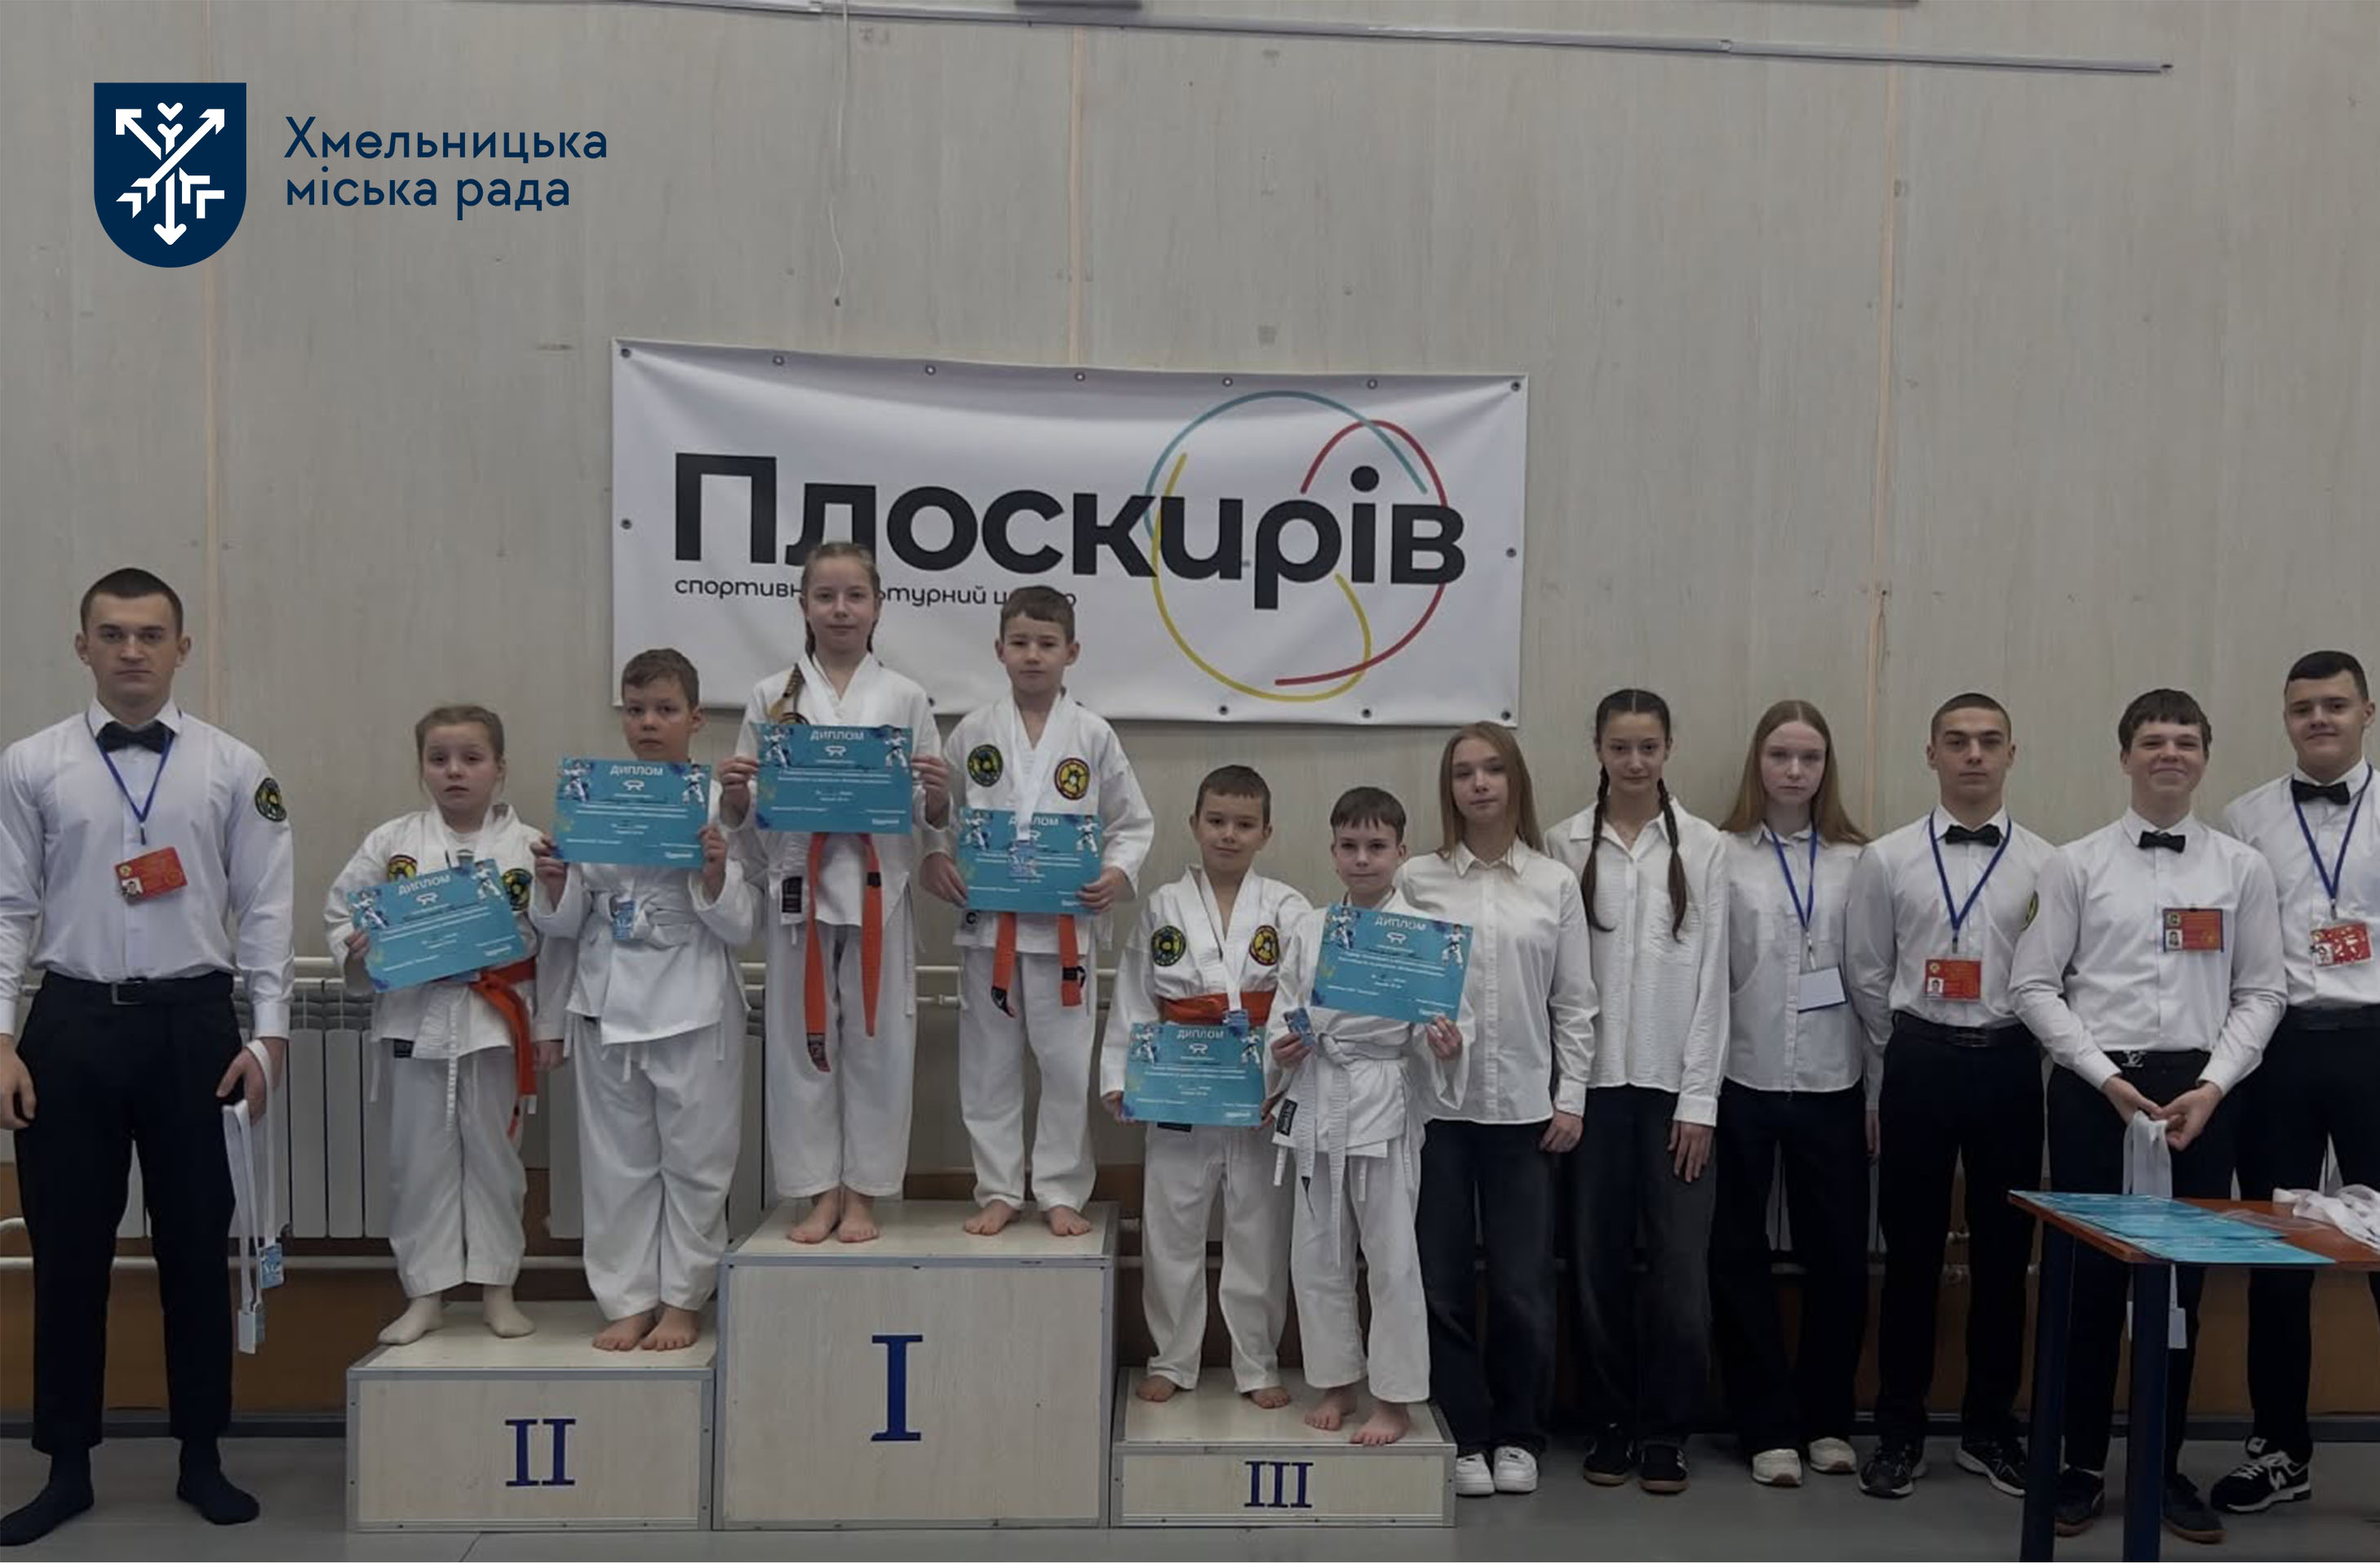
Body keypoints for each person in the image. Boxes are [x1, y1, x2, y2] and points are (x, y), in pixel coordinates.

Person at [0, 569, 294, 1544]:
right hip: (70, 1025)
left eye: (151, 634)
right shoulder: (30, 763)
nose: (133, 650)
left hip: (193, 1028)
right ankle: (66, 1466)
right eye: (114, 633)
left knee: (195, 1249)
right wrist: (0, 1040)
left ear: (182, 649)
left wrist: (269, 1035)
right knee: (68, 1254)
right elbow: (7, 907)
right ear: (82, 645)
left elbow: (266, 908)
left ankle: (201, 1454)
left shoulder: (233, 766)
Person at [2011, 687, 2286, 1544]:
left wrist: (2214, 1084)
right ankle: (2081, 1465)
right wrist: (2101, 1076)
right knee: (2090, 1286)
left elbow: (2263, 990)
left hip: (2200, 1097)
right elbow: (2031, 986)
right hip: (2098, 1091)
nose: (2169, 753)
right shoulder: (2074, 864)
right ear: (2124, 755)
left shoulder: (2242, 869)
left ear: (2204, 757)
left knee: (2181, 1291)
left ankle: (2160, 1467)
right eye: (2153, 740)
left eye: (2185, 741)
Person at [1844, 692, 2054, 1502]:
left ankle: (1989, 1428)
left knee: (2005, 1257)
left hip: (2009, 1063)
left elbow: (2053, 974)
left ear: (2011, 755)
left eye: (1989, 741)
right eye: (1957, 741)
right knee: (1911, 1255)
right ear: (1930, 753)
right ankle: (1898, 1430)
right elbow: (1867, 968)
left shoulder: (2047, 863)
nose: (1973, 754)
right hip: (1920, 1061)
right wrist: (1900, 1048)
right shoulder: (1887, 858)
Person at [719, 542, 949, 1244]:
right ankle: (817, 1192)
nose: (840, 609)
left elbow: (931, 815)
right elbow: (745, 812)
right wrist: (735, 793)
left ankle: (865, 1192)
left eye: (854, 596)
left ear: (878, 606)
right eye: (825, 596)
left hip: (881, 888)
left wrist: (940, 797)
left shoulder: (906, 696)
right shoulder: (772, 696)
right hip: (799, 886)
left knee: (880, 1043)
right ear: (803, 606)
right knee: (800, 1042)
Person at [531, 649, 759, 1349]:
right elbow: (563, 928)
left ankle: (684, 1298)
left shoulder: (722, 807)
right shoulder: (589, 798)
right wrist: (556, 882)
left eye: (664, 710)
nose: (649, 723)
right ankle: (627, 1298)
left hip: (694, 995)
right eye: (636, 710)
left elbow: (743, 925)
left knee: (697, 1159)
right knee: (614, 1163)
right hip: (606, 993)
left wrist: (716, 875)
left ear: (695, 718)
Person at [325, 703, 570, 1349]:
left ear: (500, 768)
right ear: (422, 769)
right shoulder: (392, 843)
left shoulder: (531, 847)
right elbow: (341, 912)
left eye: (471, 758)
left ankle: (497, 1288)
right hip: (415, 1017)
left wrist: (548, 1025)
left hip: (496, 1022)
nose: (455, 771)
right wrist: (355, 945)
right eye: (439, 759)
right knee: (417, 1161)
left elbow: (558, 943)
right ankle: (425, 1294)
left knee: (496, 1159)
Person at [1399, 723, 1597, 1499]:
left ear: (1515, 780)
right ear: (1448, 788)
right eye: (1463, 772)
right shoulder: (1416, 879)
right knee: (1440, 1283)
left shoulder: (1552, 882)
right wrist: (1423, 1035)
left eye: (1491, 769)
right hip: (1436, 1114)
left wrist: (1570, 1097)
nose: (1478, 783)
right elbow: (1394, 993)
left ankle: (1519, 1432)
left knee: (1521, 1284)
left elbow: (1574, 1002)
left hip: (1523, 1114)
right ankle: (1464, 1434)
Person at [920, 586, 1155, 1237]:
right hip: (988, 927)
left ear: (1071, 652)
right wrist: (934, 853)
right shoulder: (974, 730)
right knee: (987, 1066)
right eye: (1020, 642)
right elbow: (940, 812)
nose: (1032, 655)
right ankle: (998, 1187)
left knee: (1064, 1066)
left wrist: (1115, 873)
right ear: (999, 649)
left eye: (1046, 644)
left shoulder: (1092, 734)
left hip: (1063, 932)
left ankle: (1058, 1188)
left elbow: (1132, 822)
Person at [1544, 689, 1729, 1495]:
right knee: (1596, 1265)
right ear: (1597, 748)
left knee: (1680, 1271)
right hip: (1590, 1091)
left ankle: (1667, 1427)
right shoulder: (1562, 843)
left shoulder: (1706, 847)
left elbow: (1714, 982)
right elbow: (1558, 980)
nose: (1633, 761)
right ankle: (1610, 1420)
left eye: (1647, 746)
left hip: (1671, 1091)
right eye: (1619, 747)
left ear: (1667, 749)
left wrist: (1699, 1101)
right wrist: (1567, 1089)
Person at [2212, 649, 2379, 1516]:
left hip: (2375, 1045)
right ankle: (2280, 1448)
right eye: (2303, 707)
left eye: (2334, 704)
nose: (2318, 718)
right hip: (2277, 1050)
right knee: (2278, 1255)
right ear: (2285, 718)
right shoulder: (2244, 818)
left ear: (2366, 713)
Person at [1701, 698, 1874, 1491]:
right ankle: (1765, 1426)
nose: (1794, 771)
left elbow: (1872, 980)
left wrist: (1878, 1094)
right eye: (1780, 755)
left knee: (1837, 1256)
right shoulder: (1721, 854)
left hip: (1834, 1080)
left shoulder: (1857, 860)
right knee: (1737, 1255)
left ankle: (1827, 1420)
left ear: (1825, 766)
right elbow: (1706, 978)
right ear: (1757, 763)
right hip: (1742, 1077)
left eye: (1809, 757)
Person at [1100, 765, 1309, 1406]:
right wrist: (1121, 1076)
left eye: (1244, 824)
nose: (1228, 834)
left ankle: (1257, 1363)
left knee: (1258, 1233)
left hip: (1255, 1090)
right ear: (1194, 823)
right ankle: (1171, 1357)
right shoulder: (1163, 905)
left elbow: (1300, 998)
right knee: (1170, 1228)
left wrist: (1282, 1080)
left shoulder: (1287, 906)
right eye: (1216, 820)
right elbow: (1134, 995)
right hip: (1178, 1089)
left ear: (1266, 832)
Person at [1272, 785, 1465, 1445]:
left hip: (1382, 1096)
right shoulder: (1310, 926)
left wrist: (1445, 1045)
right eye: (1349, 845)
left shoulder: (1422, 934)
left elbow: (1439, 1028)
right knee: (1316, 1253)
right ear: (1332, 851)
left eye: (1375, 846)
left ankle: (1396, 1396)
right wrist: (1284, 1043)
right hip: (1317, 1090)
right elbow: (1286, 1007)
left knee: (1390, 1256)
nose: (1362, 858)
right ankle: (1335, 1380)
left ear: (1400, 852)